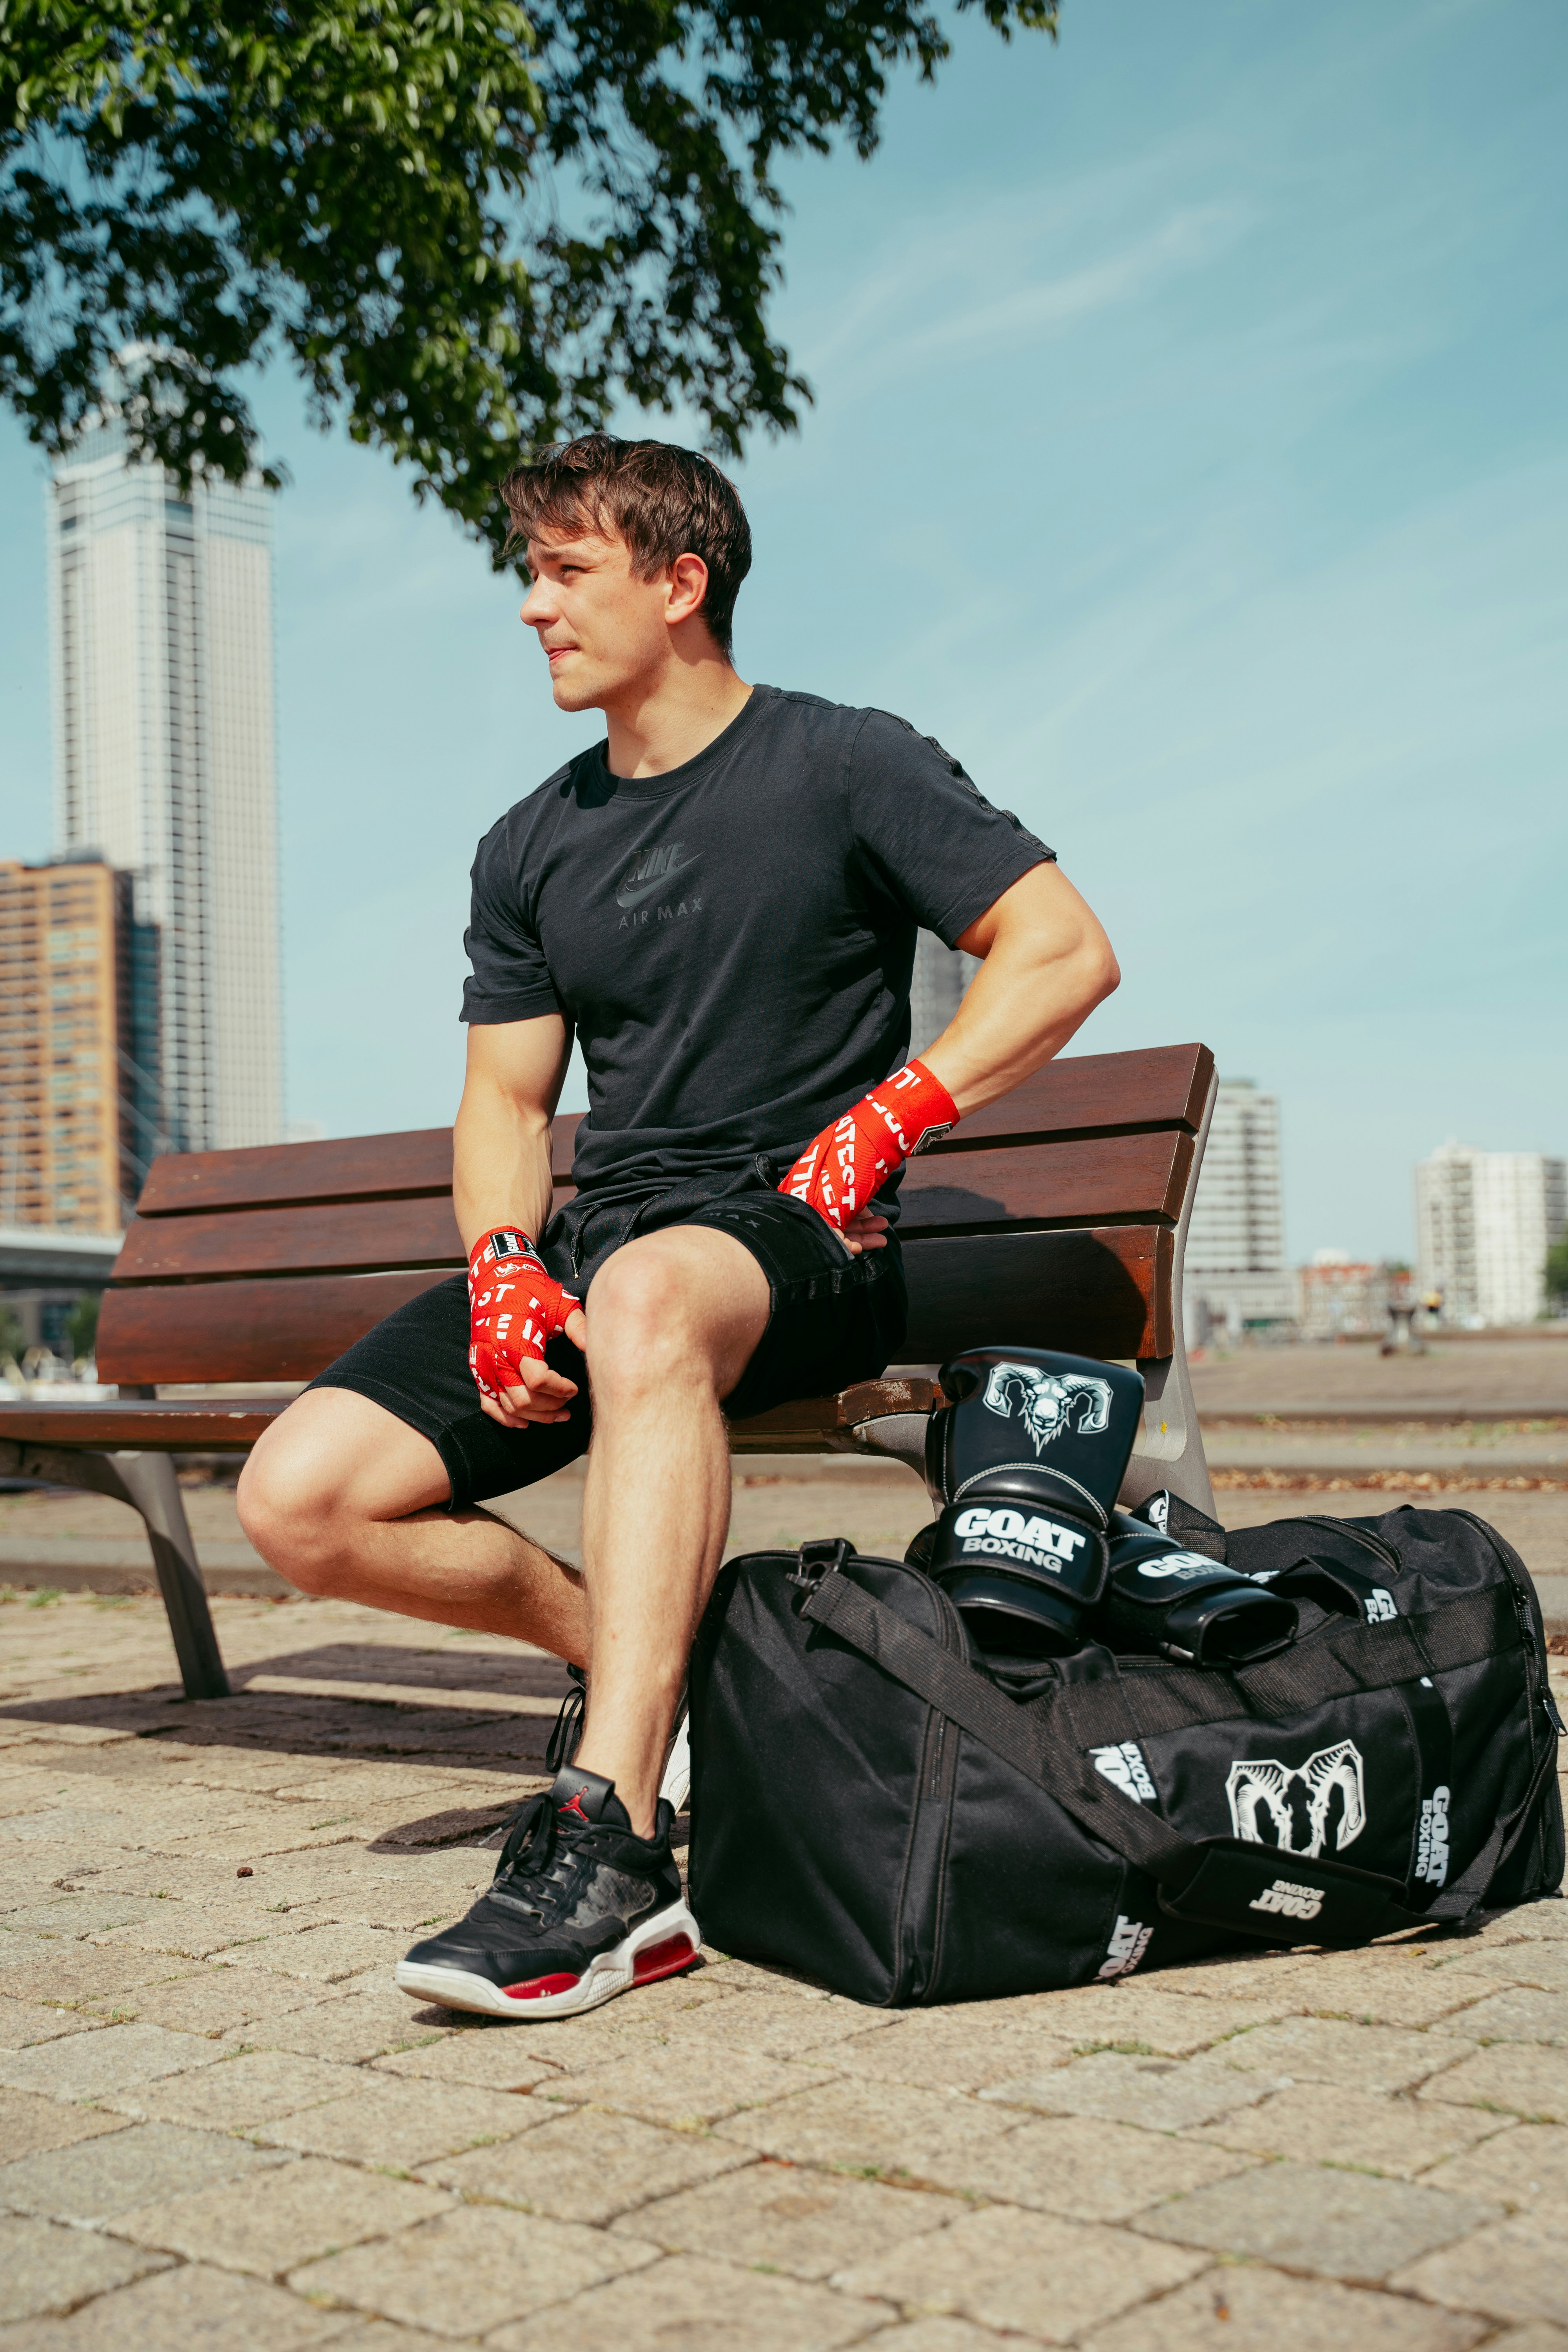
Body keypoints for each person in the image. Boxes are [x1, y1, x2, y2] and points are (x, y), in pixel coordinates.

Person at [237, 433, 1120, 2020]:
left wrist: (886, 1120)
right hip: (609, 1247)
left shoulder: (845, 759)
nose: (531, 608)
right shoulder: (529, 843)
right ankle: (645, 1662)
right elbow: (506, 1107)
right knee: (302, 1501)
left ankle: (615, 1844)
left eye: (564, 571)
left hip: (798, 1241)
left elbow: (1058, 951)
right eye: (532, 574)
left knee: (646, 1298)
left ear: (679, 580)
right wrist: (503, 1265)